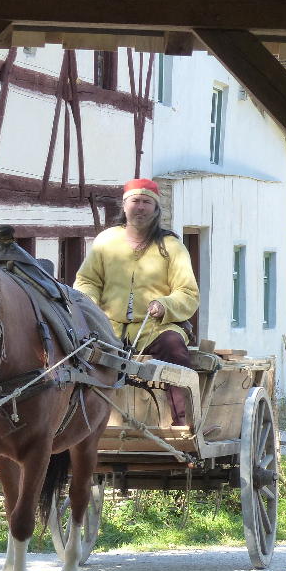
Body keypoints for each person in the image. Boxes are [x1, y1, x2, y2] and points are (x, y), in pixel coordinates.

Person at [74, 178, 199, 424]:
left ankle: (183, 422)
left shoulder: (172, 246)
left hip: (155, 328)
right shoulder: (106, 241)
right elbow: (87, 280)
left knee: (174, 346)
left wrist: (165, 305)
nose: (140, 207)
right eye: (135, 201)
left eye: (146, 202)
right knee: (76, 350)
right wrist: (89, 301)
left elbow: (187, 292)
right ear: (124, 206)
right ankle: (77, 422)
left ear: (156, 208)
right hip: (107, 328)